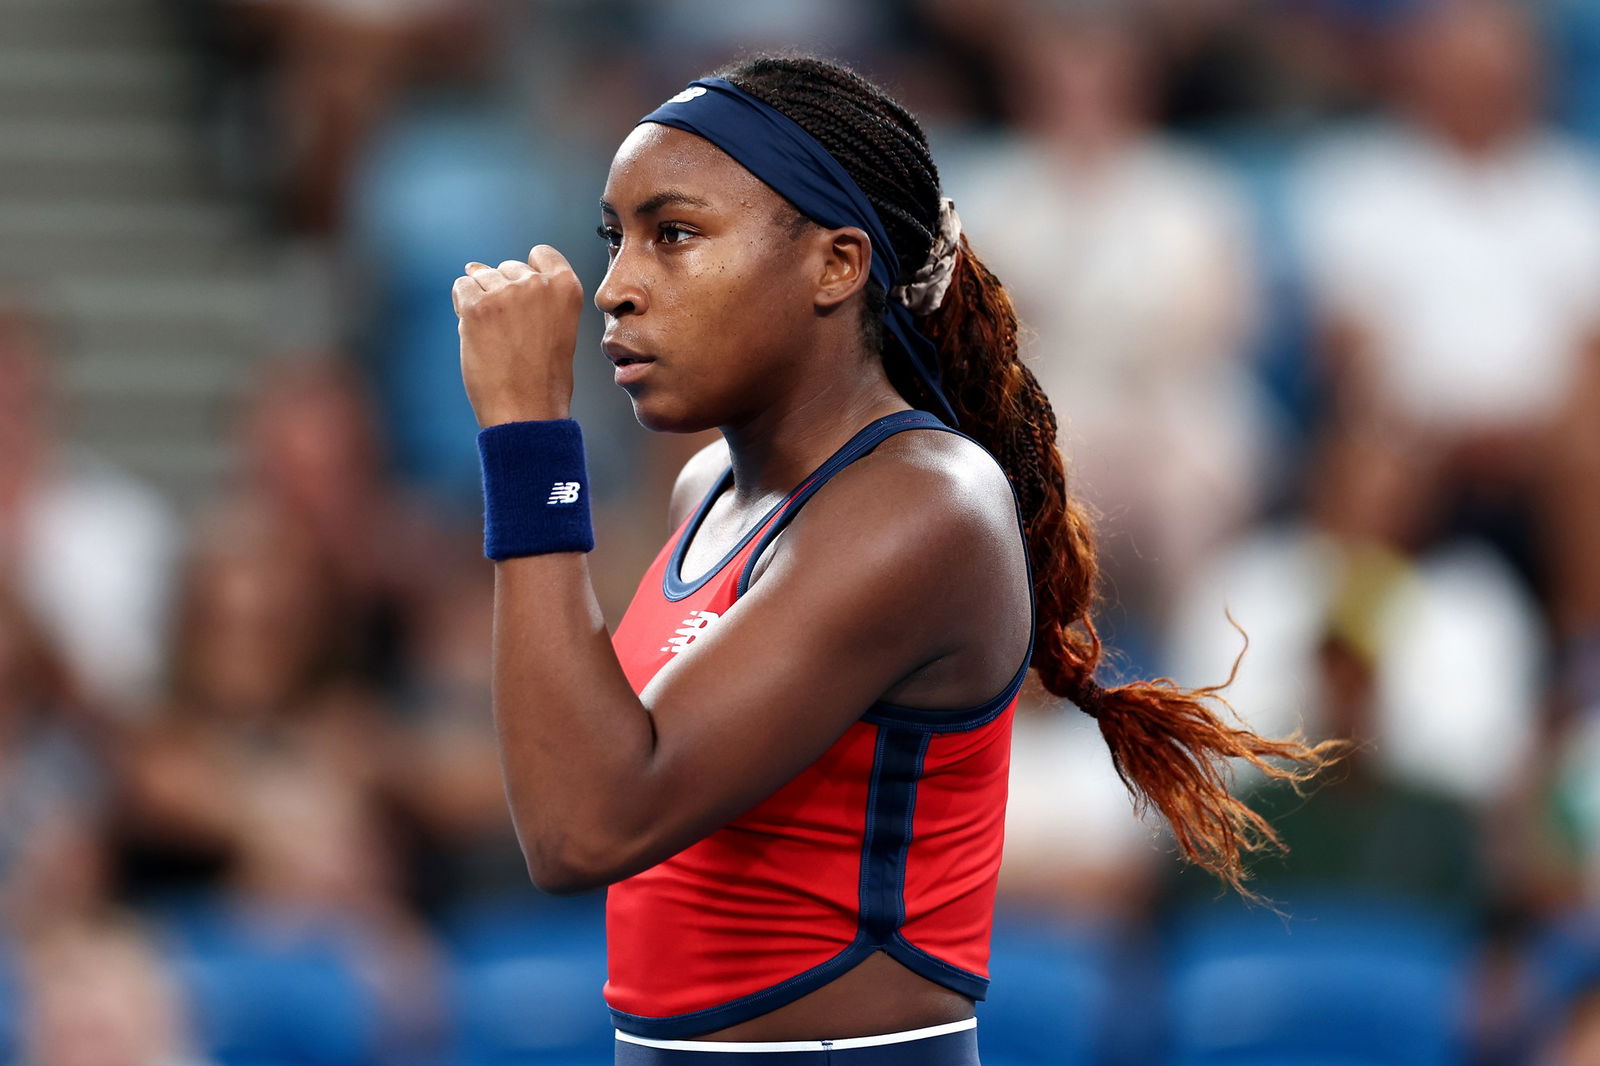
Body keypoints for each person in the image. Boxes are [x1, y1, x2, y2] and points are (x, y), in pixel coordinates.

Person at [451, 55, 1343, 1064]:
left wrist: (527, 437)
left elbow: (582, 828)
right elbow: (580, 765)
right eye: (617, 239)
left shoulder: (926, 507)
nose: (615, 289)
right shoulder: (704, 490)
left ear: (835, 265)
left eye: (676, 234)